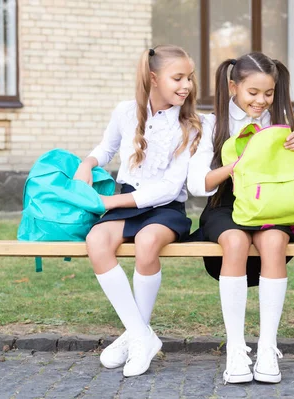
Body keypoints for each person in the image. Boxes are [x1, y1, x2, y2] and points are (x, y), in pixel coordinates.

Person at [188, 52, 294, 385]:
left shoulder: (276, 125)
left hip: (268, 208)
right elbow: (197, 184)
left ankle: (266, 345)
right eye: (253, 93)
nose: (261, 101)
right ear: (233, 86)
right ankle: (235, 347)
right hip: (223, 206)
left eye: (269, 93)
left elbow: (285, 175)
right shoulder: (209, 123)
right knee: (234, 241)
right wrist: (235, 165)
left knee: (275, 241)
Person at [74, 45, 202, 377]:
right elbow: (107, 148)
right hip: (128, 201)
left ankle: (136, 336)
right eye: (178, 78)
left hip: (166, 209)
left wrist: (111, 202)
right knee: (97, 239)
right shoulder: (125, 111)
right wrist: (87, 164)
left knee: (147, 242)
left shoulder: (191, 125)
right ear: (153, 78)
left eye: (189, 77)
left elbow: (170, 188)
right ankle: (140, 335)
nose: (186, 85)